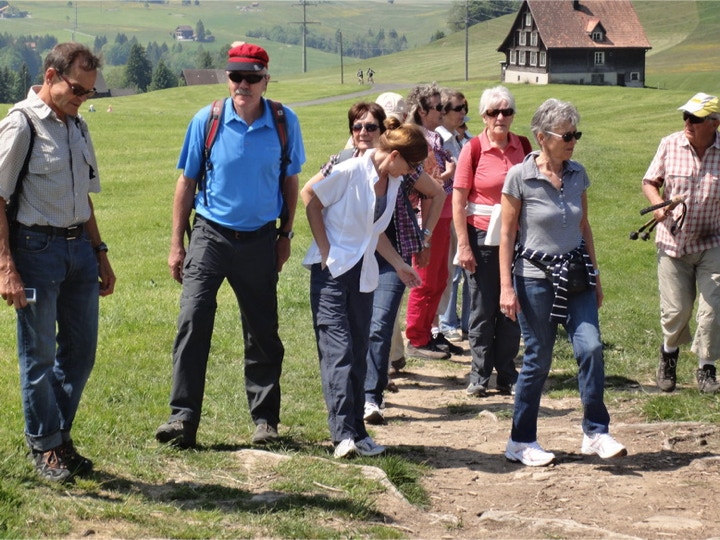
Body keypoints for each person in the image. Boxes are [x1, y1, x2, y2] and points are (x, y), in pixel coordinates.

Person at [155, 42, 306, 449]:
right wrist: (176, 244)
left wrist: (285, 235)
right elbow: (186, 181)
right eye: (236, 76)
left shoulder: (283, 121)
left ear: (266, 80)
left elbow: (290, 180)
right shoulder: (207, 120)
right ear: (228, 79)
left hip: (260, 239)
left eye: (251, 78)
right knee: (192, 321)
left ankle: (265, 421)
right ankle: (182, 419)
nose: (243, 84)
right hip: (210, 235)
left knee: (262, 330)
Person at [0, 42, 116, 483]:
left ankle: (59, 437)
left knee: (81, 352)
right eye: (77, 89)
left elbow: (82, 196)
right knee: (40, 356)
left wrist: (100, 252)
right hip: (35, 252)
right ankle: (46, 445)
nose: (82, 98)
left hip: (79, 252)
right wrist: (6, 266)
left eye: (89, 92)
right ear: (50, 76)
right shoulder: (21, 124)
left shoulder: (77, 126)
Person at [499, 98, 626, 467]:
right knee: (538, 359)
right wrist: (506, 286)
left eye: (575, 134)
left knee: (591, 347)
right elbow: (507, 234)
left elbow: (584, 226)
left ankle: (596, 432)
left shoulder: (577, 174)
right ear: (542, 137)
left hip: (577, 277)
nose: (573, 141)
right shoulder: (519, 176)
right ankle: (520, 441)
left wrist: (596, 276)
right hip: (534, 279)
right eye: (566, 135)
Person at [306, 100, 444, 426]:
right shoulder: (347, 165)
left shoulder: (394, 177)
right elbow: (310, 197)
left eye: (370, 126)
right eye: (357, 126)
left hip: (376, 259)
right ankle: (345, 430)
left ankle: (366, 407)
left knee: (370, 335)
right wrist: (326, 250)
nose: (363, 132)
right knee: (340, 349)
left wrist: (410, 252)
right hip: (338, 267)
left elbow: (377, 227)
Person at [642, 92, 720, 394]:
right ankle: (669, 354)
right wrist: (658, 206)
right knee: (677, 310)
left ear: (714, 123)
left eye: (695, 118)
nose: (687, 122)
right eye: (685, 116)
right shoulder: (670, 144)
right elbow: (650, 182)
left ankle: (707, 367)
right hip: (672, 243)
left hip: (713, 241)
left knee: (713, 309)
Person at [453, 86, 526, 397]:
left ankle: (507, 373)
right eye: (494, 112)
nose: (500, 117)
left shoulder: (523, 145)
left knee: (512, 305)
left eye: (506, 111)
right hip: (481, 235)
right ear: (483, 116)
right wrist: (463, 245)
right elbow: (458, 199)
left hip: (518, 237)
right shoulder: (472, 149)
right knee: (483, 307)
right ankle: (480, 375)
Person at [404, 83, 460, 360]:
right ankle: (416, 338)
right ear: (422, 111)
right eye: (437, 107)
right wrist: (449, 174)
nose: (442, 111)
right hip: (426, 217)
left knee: (439, 279)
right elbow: (423, 183)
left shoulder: (433, 137)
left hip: (442, 213)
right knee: (425, 280)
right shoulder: (417, 139)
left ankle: (427, 334)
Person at [436, 89, 470, 344]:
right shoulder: (438, 140)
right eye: (458, 108)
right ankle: (446, 322)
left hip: (467, 210)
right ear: (443, 112)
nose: (463, 113)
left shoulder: (465, 138)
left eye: (465, 108)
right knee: (450, 269)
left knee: (468, 268)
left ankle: (468, 322)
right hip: (446, 212)